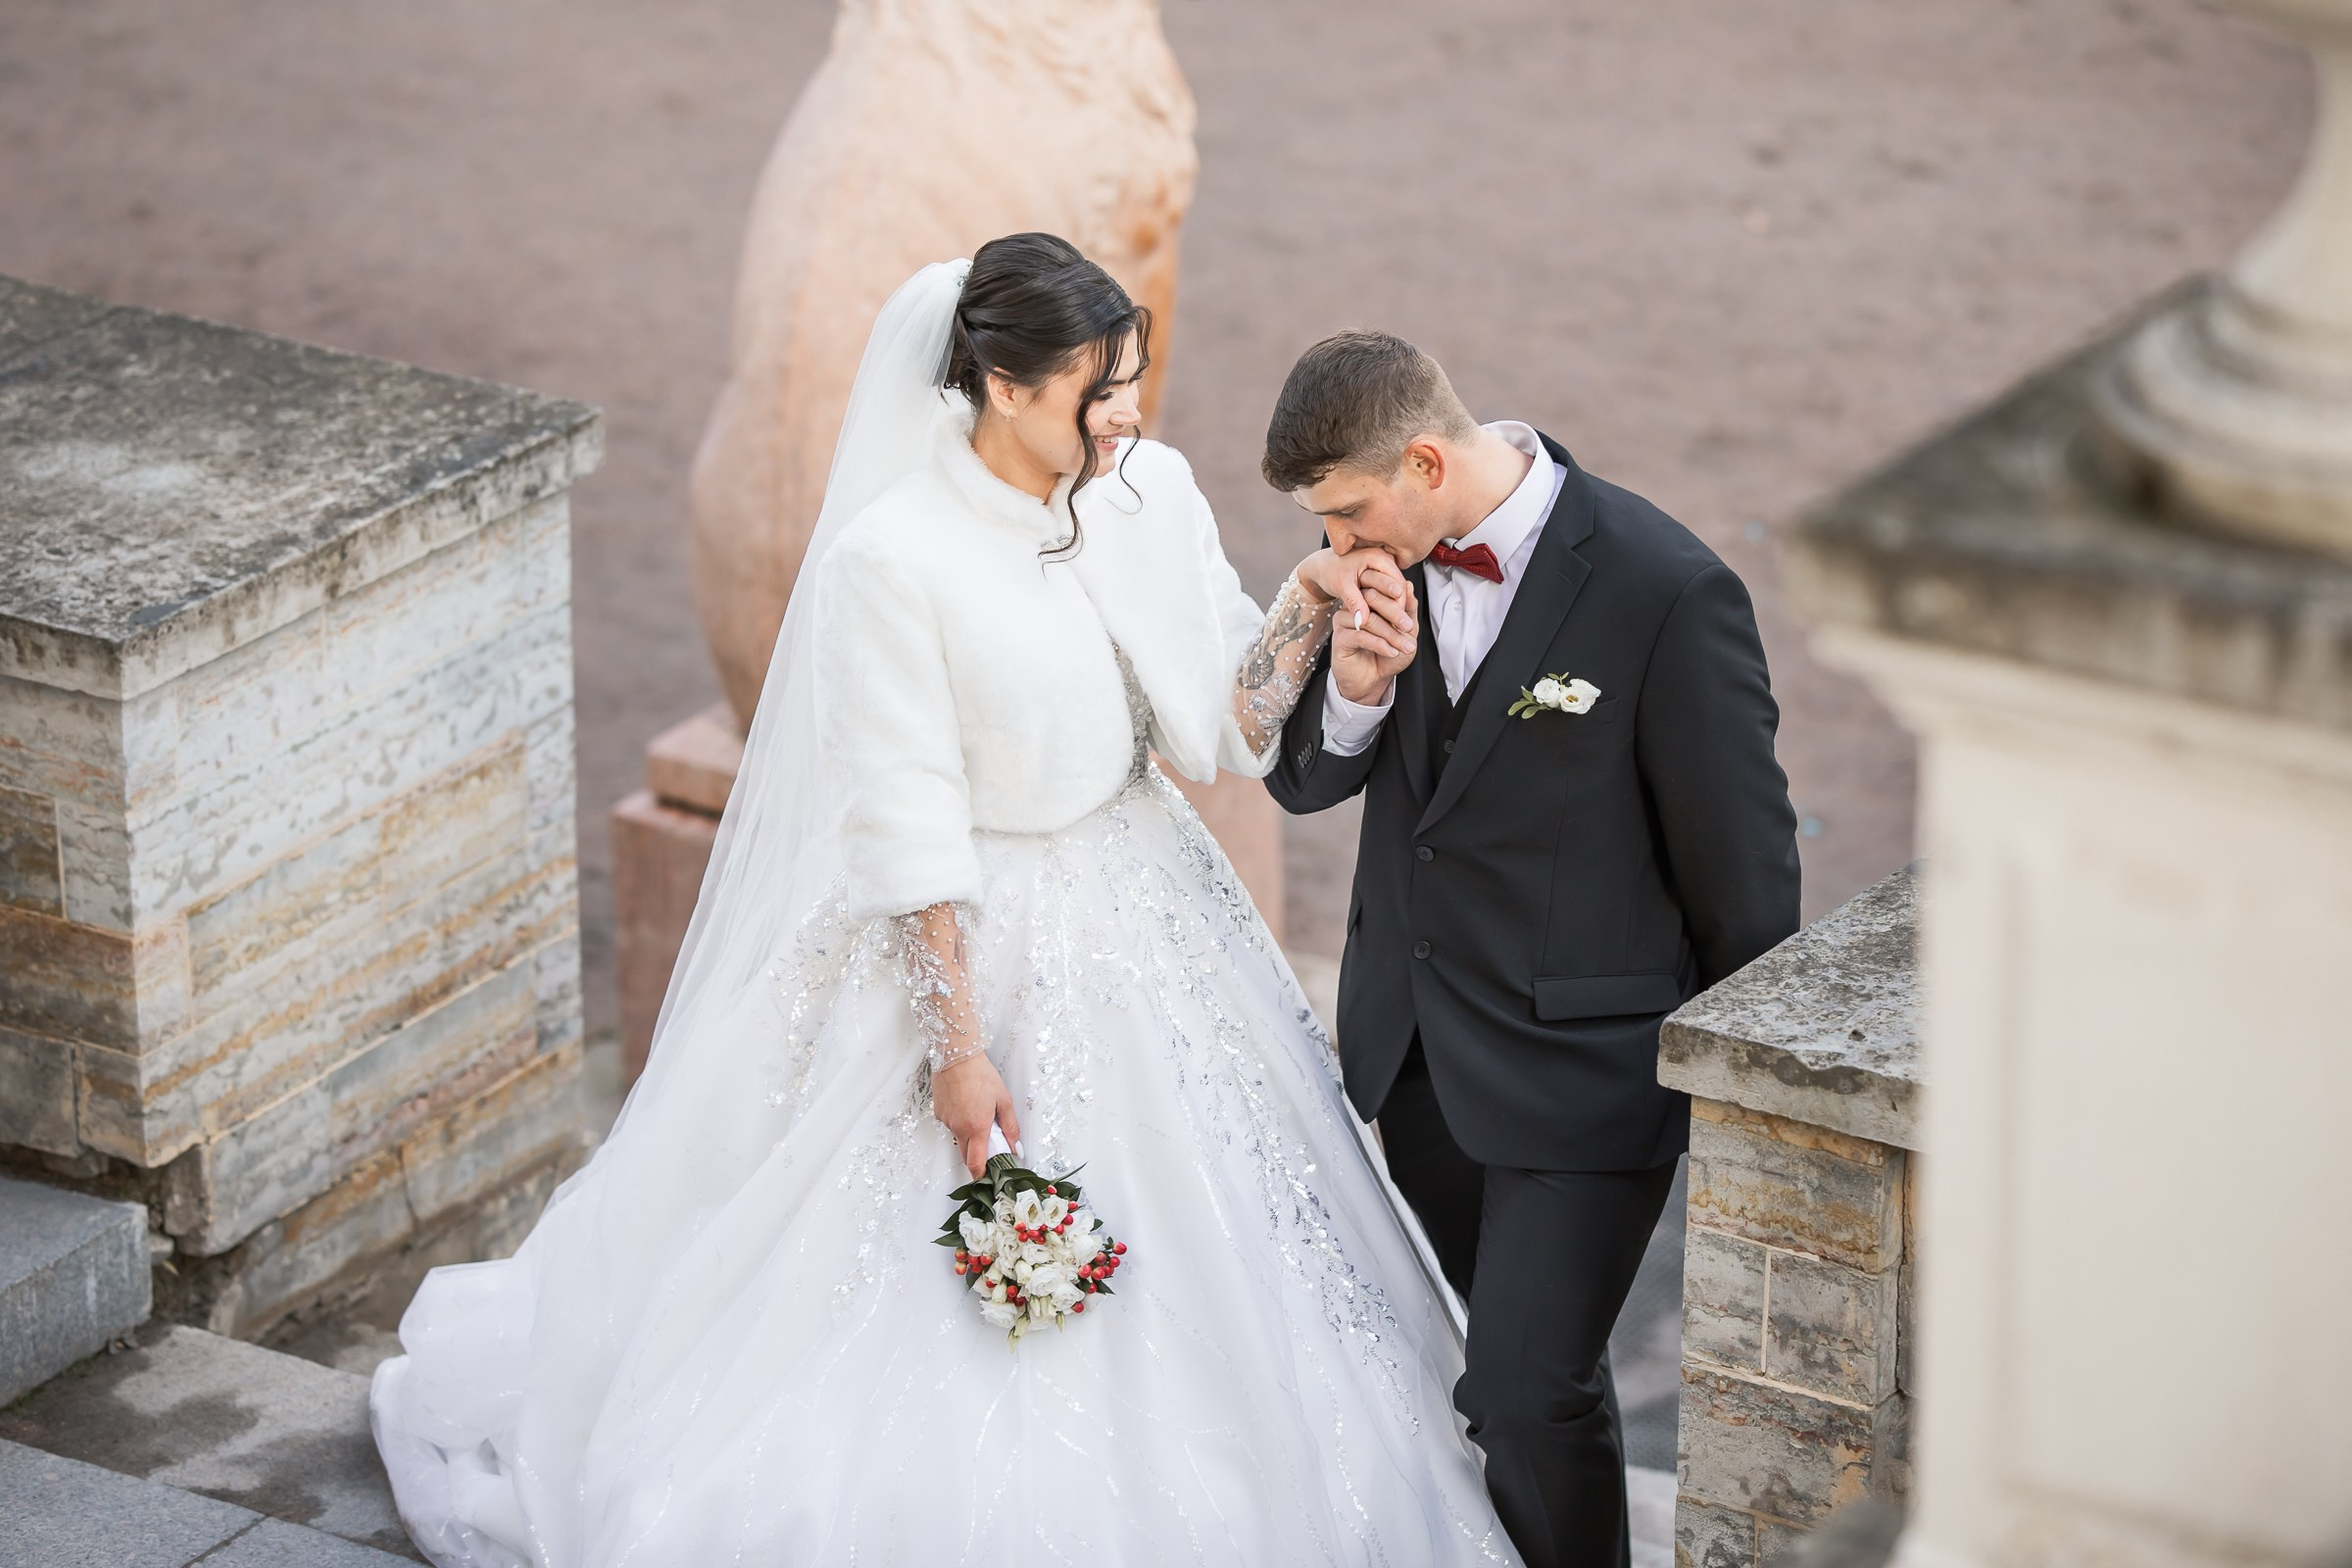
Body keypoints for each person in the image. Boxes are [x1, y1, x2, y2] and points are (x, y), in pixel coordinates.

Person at [368, 236, 1522, 1566]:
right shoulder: (891, 560)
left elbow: (1228, 723)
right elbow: (906, 822)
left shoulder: (1151, 489)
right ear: (996, 383)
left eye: (1129, 378)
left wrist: (1309, 606)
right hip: (965, 935)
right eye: (1093, 388)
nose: (1124, 413)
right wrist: (959, 1052)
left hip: (1147, 903)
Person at [1261, 331, 1801, 1568]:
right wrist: (1353, 682)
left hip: (1587, 1078)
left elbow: (1747, 876)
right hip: (1420, 1062)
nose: (1335, 548)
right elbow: (1300, 780)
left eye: (1348, 513)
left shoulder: (1666, 591)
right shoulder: (1374, 577)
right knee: (1530, 1385)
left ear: (1425, 459)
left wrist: (1747, 1107)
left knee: (1518, 1388)